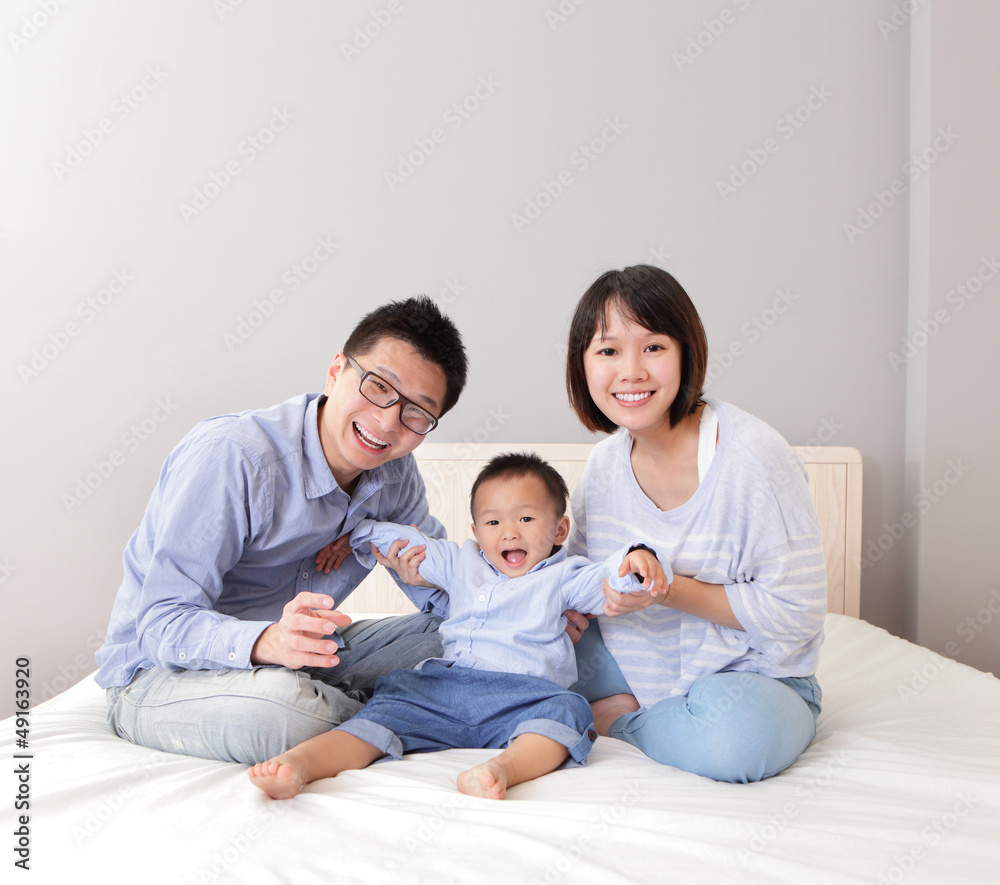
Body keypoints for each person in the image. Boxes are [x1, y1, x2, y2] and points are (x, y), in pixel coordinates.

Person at [95, 296, 468, 764]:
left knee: (470, 638)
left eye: (417, 412)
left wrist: (528, 608)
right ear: (336, 371)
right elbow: (160, 622)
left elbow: (451, 584)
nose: (388, 420)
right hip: (161, 672)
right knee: (281, 714)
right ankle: (406, 715)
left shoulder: (395, 472)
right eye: (377, 387)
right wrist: (267, 641)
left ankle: (387, 713)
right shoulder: (234, 456)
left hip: (301, 660)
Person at [247, 452, 662, 800]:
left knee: (569, 711)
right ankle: (301, 763)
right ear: (477, 532)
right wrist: (356, 535)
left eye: (526, 519)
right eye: (494, 523)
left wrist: (636, 562)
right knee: (386, 707)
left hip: (523, 696)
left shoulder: (564, 575)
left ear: (559, 530)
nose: (509, 533)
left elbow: (606, 580)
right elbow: (408, 544)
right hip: (445, 687)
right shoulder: (461, 561)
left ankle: (501, 770)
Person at [563, 264, 826, 783]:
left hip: (747, 674)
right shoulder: (603, 467)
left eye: (654, 347)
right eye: (609, 350)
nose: (631, 371)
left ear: (687, 352)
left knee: (734, 746)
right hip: (630, 662)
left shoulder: (752, 457)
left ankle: (621, 722)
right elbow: (580, 578)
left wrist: (668, 589)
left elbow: (798, 615)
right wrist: (579, 602)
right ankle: (643, 711)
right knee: (518, 663)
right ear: (583, 365)